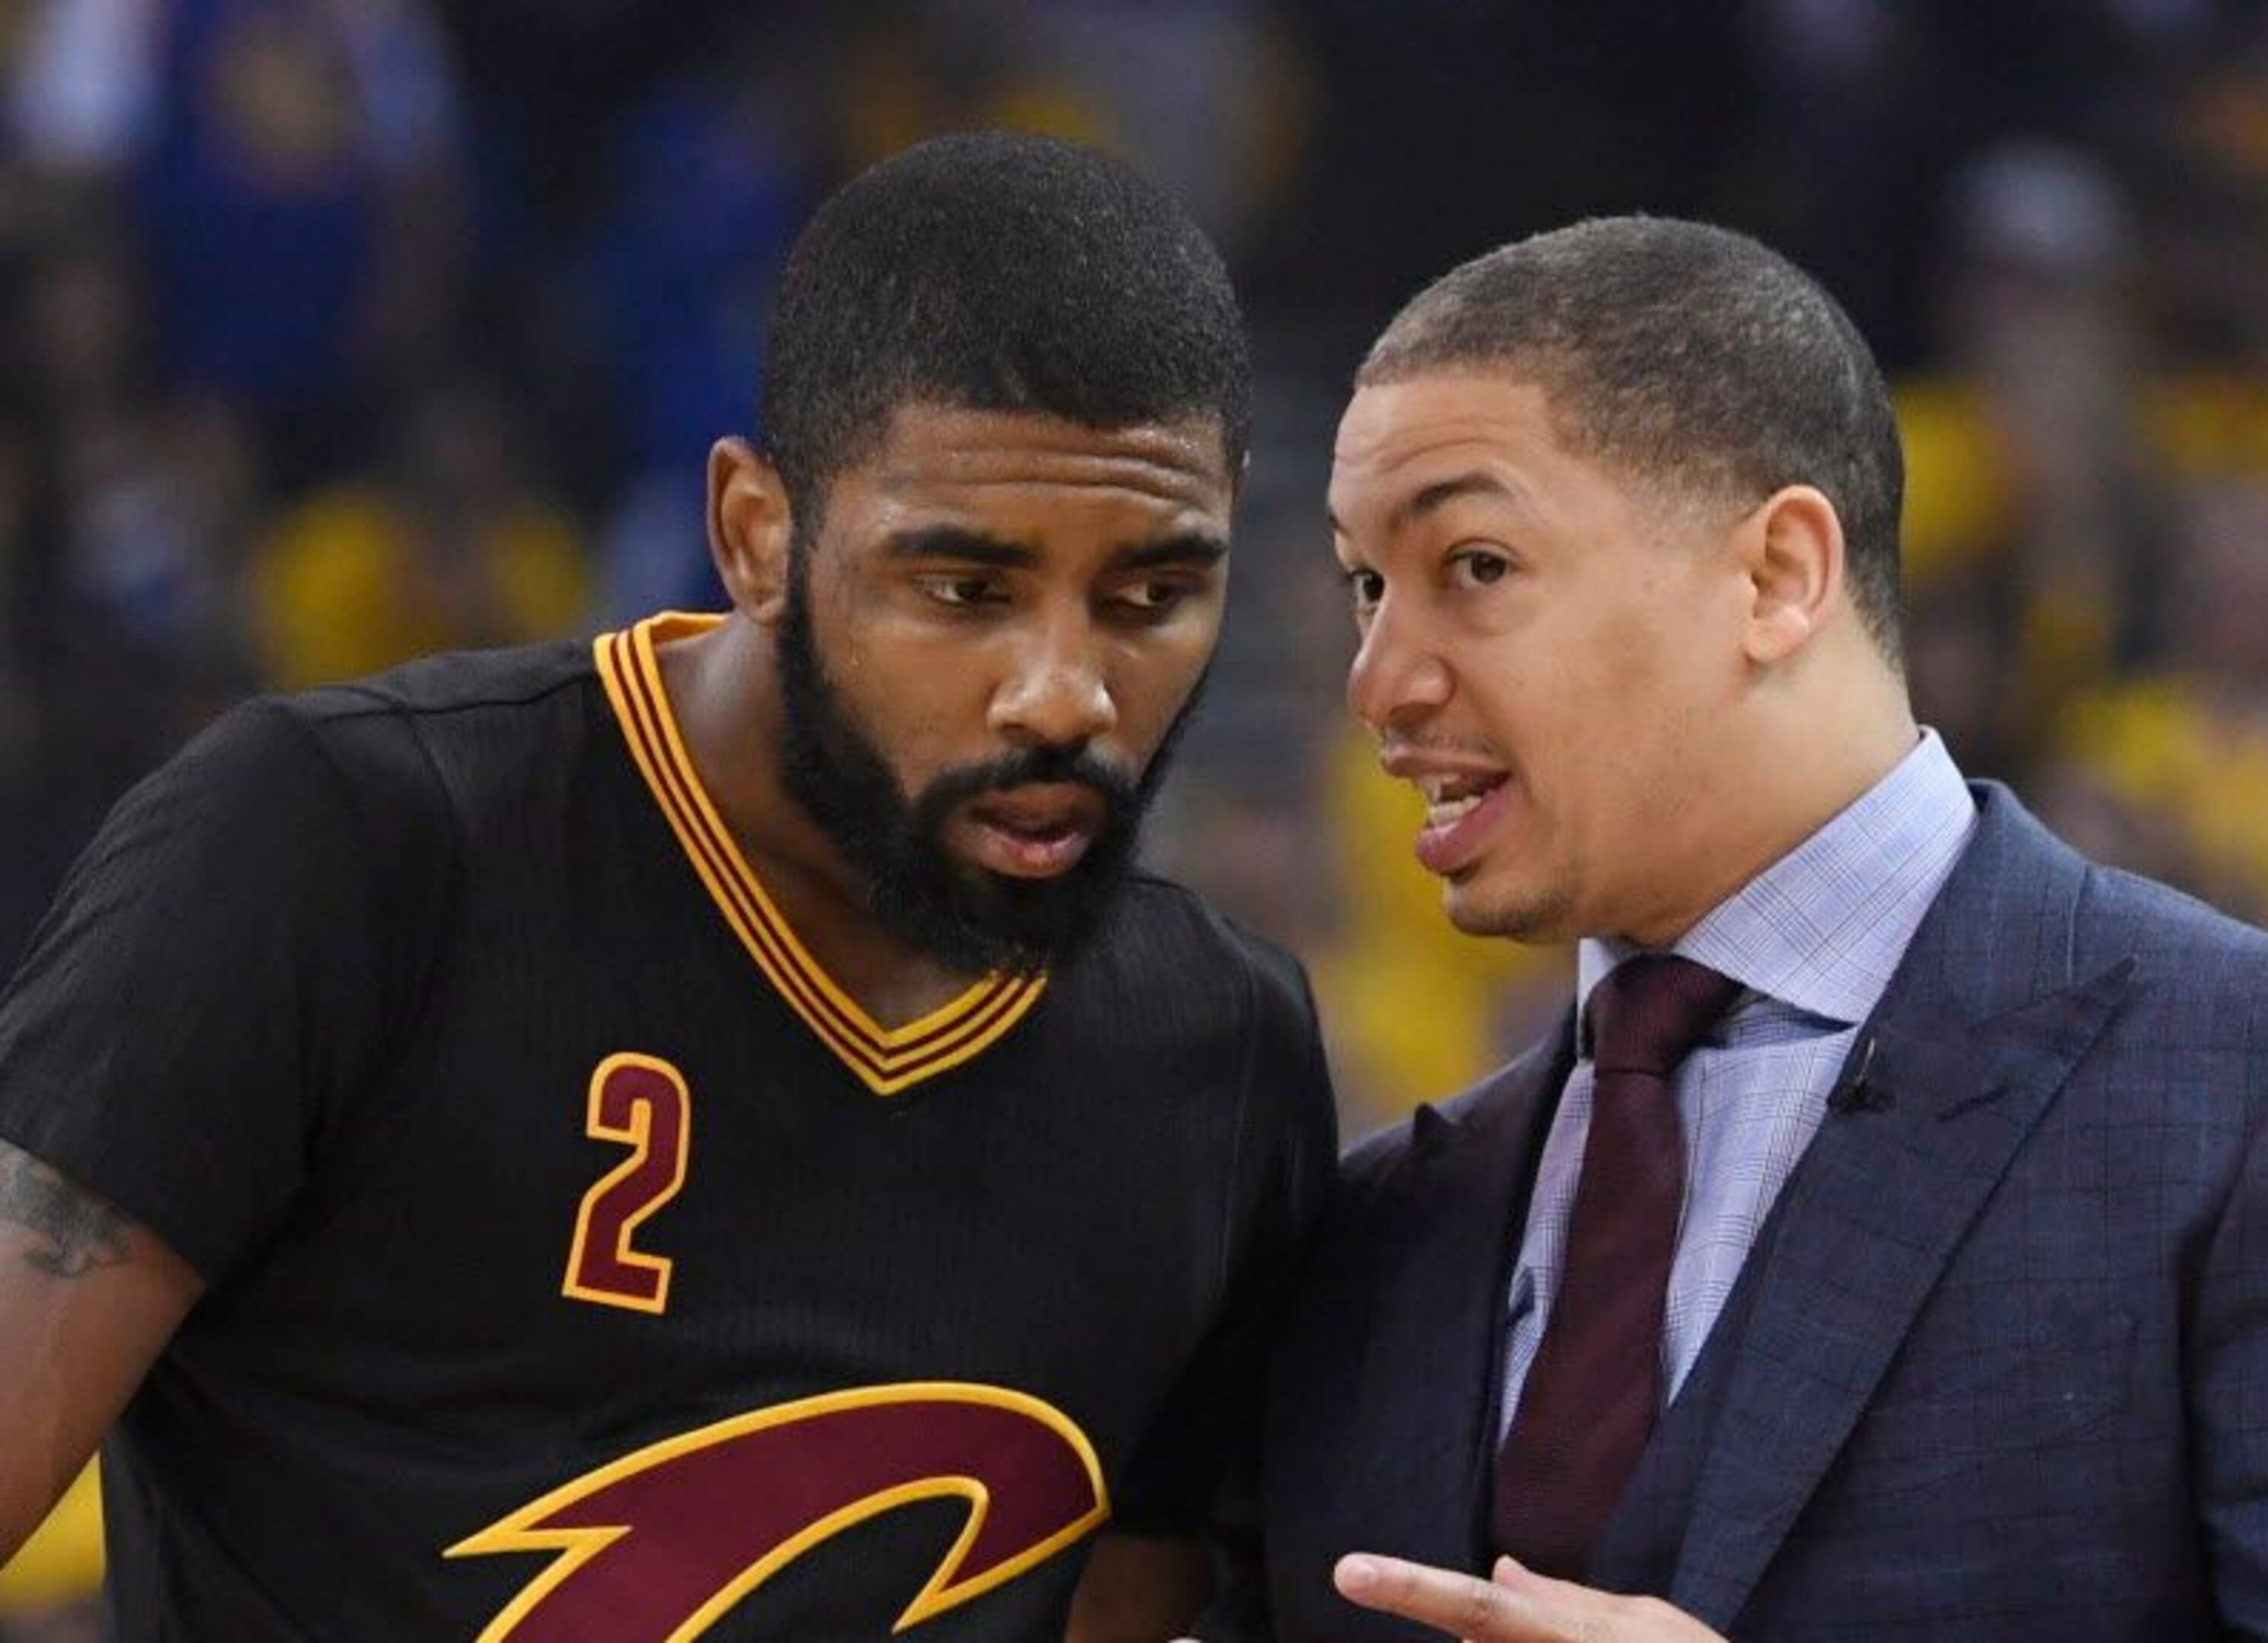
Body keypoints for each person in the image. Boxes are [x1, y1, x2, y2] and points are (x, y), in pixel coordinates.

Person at [0, 132, 1333, 1641]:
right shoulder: (348, 845)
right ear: (757, 535)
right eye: (964, 591)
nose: (1062, 694)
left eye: (1154, 596)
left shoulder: (1222, 1059)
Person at [1243, 218, 2268, 1639]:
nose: (1380, 679)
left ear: (1777, 577)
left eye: (1473, 565)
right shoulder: (1379, 1224)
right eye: (1364, 585)